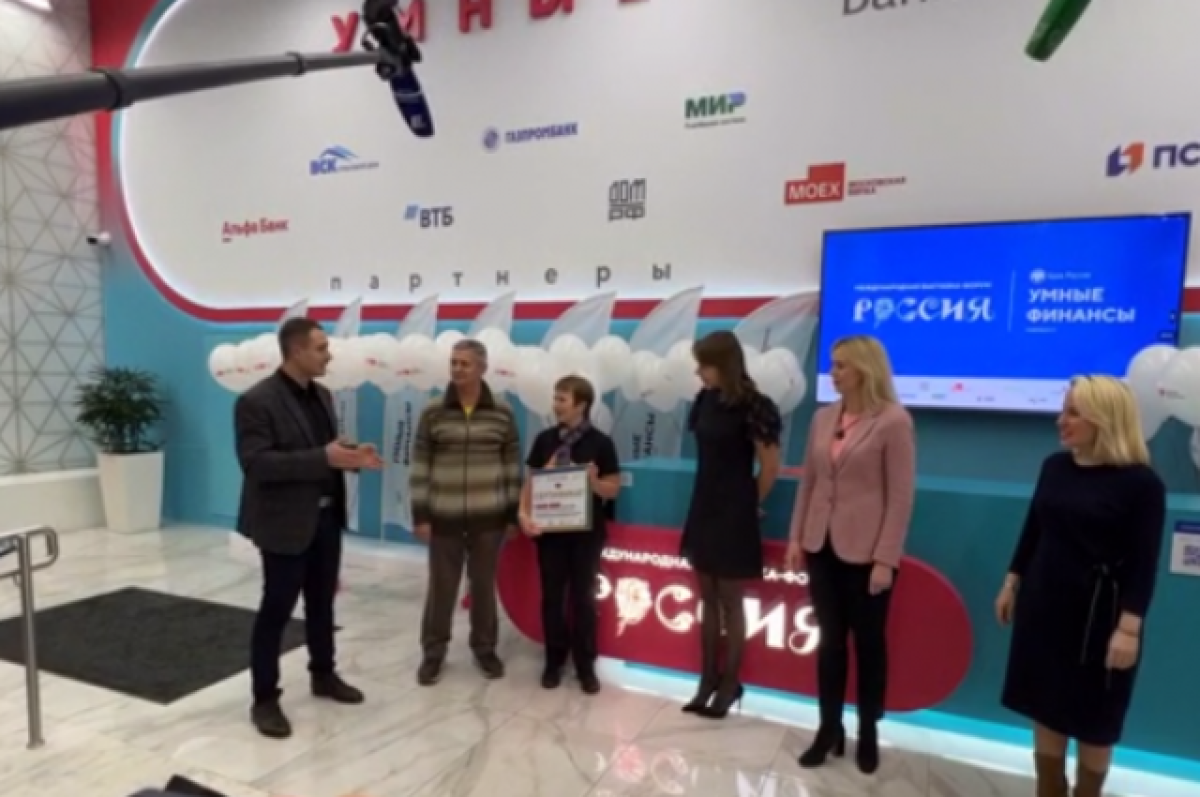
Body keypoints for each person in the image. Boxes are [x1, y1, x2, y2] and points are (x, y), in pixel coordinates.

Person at [995, 375, 1166, 797]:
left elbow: (1143, 564)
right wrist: (1012, 581)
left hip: (1100, 619)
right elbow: (1034, 528)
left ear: (1104, 418)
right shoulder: (1054, 467)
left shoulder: (1142, 484)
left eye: (1073, 413)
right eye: (1063, 410)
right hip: (1043, 606)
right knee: (1045, 709)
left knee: (1096, 721)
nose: (1061, 420)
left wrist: (1129, 628)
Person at [234, 317, 383, 739]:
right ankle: (265, 698)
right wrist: (325, 458)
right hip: (284, 523)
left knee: (322, 604)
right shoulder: (256, 401)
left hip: (326, 519)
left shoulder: (323, 395)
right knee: (276, 610)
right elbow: (256, 463)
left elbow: (323, 452)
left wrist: (351, 455)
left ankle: (323, 674)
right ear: (296, 350)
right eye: (321, 348)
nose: (328, 355)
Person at [785, 334, 915, 775]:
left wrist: (885, 559)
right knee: (830, 642)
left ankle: (868, 730)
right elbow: (809, 482)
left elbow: (900, 497)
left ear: (864, 369)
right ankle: (829, 728)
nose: (833, 372)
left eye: (841, 365)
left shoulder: (893, 421)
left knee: (870, 645)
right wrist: (796, 538)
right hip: (821, 546)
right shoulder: (823, 418)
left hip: (867, 556)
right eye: (833, 364)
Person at [679, 330, 782, 720]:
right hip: (703, 502)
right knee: (706, 595)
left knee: (730, 599)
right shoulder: (704, 400)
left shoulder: (756, 406)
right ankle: (707, 679)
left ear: (724, 364)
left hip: (735, 508)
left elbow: (769, 467)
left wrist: (748, 503)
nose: (698, 372)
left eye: (704, 365)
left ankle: (730, 683)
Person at [410, 338, 522, 686]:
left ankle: (485, 648)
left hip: (490, 517)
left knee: (484, 586)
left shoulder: (502, 412)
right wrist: (421, 514)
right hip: (443, 515)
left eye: (465, 363)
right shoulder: (433, 411)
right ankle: (433, 651)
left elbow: (512, 466)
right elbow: (420, 467)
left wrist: (512, 514)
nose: (457, 369)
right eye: (454, 362)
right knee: (441, 588)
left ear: (482, 368)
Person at [519, 375, 621, 694]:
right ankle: (553, 660)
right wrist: (523, 513)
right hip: (550, 533)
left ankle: (585, 664)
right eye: (555, 397)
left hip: (586, 534)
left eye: (562, 399)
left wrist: (594, 482)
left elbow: (613, 488)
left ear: (581, 405)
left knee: (584, 598)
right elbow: (531, 482)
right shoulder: (544, 440)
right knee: (552, 597)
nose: (556, 404)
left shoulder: (601, 443)